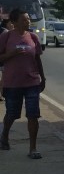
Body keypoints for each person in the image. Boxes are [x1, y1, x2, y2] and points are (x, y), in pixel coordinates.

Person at [0, 9, 46, 158]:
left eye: (28, 19)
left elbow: (37, 59)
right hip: (12, 84)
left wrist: (42, 78)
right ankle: (4, 136)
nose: (28, 22)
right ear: (14, 22)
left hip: (32, 82)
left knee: (33, 115)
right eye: (24, 20)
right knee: (12, 114)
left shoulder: (33, 36)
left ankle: (33, 149)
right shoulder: (6, 37)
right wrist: (11, 54)